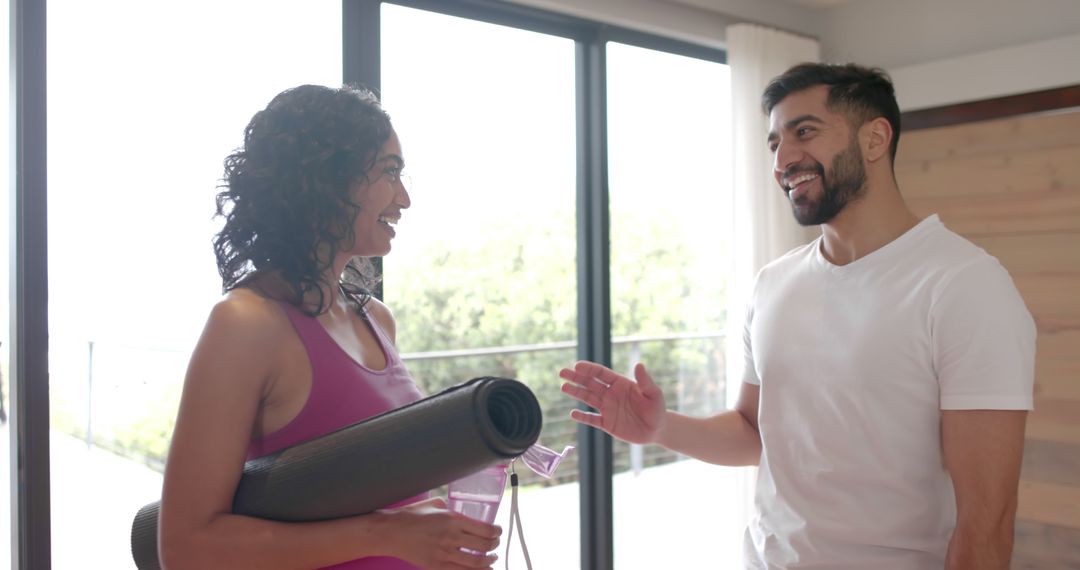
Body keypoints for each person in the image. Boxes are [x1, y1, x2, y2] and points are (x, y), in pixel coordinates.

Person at [561, 63, 1035, 569]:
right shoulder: (773, 284)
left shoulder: (964, 285)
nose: (782, 160)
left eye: (804, 132)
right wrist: (661, 428)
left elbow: (986, 526)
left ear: (875, 139)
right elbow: (754, 432)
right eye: (774, 143)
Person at [159, 84, 502, 570]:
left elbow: (383, 501)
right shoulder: (246, 324)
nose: (404, 198)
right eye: (390, 172)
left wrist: (435, 530)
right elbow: (185, 549)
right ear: (330, 179)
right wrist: (388, 534)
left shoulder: (375, 319)